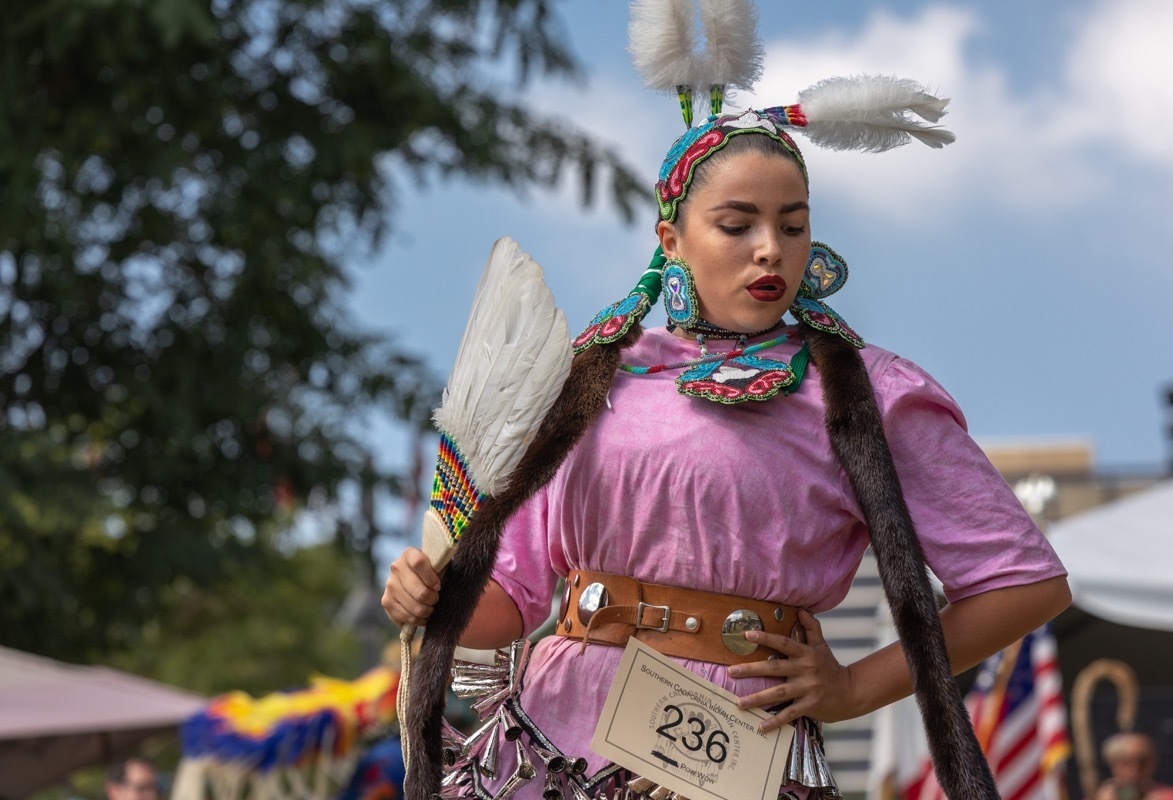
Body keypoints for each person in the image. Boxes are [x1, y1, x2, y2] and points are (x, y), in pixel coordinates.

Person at [382, 6, 1071, 800]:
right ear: (671, 241)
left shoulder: (870, 394)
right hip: (552, 747)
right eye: (737, 225)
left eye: (792, 226)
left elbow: (1022, 582)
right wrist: (429, 600)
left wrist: (853, 688)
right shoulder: (588, 379)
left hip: (742, 752)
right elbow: (513, 597)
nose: (769, 248)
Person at [1096, 733, 1173, 800]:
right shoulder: (1100, 795)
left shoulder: (1170, 796)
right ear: (1112, 764)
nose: (1134, 769)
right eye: (1126, 762)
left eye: (1142, 762)